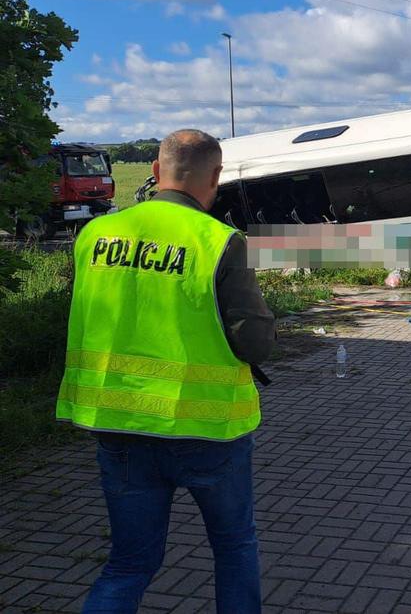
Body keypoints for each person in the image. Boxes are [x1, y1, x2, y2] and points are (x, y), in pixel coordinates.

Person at [56, 129, 276, 613]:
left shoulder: (94, 235)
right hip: (208, 428)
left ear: (156, 172)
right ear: (215, 177)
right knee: (234, 547)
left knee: (129, 563)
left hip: (118, 424)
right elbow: (254, 340)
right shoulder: (218, 240)